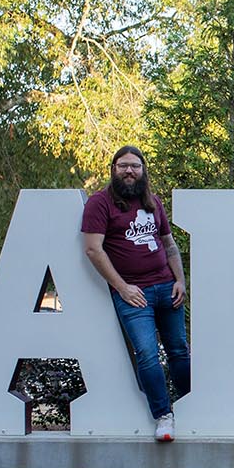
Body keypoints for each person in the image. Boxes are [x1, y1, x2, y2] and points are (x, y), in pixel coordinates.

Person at [80, 145, 188, 442]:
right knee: (147, 354)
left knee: (179, 349)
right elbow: (92, 249)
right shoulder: (100, 203)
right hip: (133, 293)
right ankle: (163, 416)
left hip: (167, 287)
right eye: (123, 166)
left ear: (143, 171)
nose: (129, 171)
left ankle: (190, 405)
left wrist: (180, 280)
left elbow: (169, 245)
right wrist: (122, 287)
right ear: (113, 170)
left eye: (135, 166)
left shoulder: (152, 202)